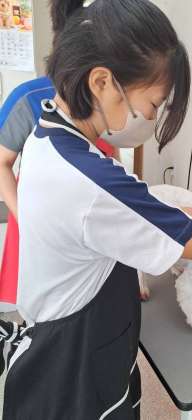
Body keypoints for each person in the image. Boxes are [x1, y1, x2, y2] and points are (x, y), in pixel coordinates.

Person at [3, 2, 192, 419]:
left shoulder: (48, 137)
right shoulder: (91, 180)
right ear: (102, 82)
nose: (151, 117)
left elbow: (120, 207)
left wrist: (176, 216)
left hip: (58, 335)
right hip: (78, 364)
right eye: (153, 103)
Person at [0, 0, 116, 305]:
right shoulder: (29, 98)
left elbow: (110, 154)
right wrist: (25, 217)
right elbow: (1, 163)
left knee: (93, 299)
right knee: (41, 308)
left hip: (92, 221)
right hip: (40, 222)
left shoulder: (103, 95)